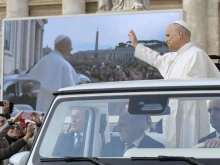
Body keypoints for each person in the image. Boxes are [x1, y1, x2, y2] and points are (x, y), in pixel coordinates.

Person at [128, 20, 220, 148]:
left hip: (189, 118)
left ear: (180, 34)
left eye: (168, 35)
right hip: (174, 115)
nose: (165, 40)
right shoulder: (174, 57)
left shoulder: (196, 54)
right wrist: (136, 45)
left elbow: (195, 92)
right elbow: (156, 59)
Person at [28, 35, 81, 113]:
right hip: (58, 107)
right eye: (70, 45)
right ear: (62, 46)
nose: (71, 48)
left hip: (42, 103)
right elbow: (70, 91)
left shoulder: (44, 60)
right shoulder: (64, 65)